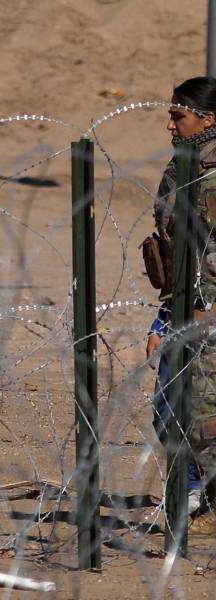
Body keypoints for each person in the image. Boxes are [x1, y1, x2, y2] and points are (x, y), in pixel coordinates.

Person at [150, 76, 216, 535]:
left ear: (208, 119)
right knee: (167, 406)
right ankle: (195, 490)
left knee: (204, 414)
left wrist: (205, 314)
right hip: (181, 302)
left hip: (208, 309)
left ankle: (203, 497)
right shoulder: (182, 169)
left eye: (179, 115)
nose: (171, 125)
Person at [145, 306, 201, 515]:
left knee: (201, 418)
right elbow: (174, 289)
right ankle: (188, 479)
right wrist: (157, 329)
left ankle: (192, 484)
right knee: (163, 415)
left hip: (206, 343)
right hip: (175, 335)